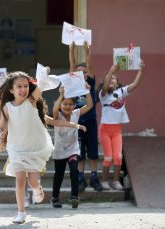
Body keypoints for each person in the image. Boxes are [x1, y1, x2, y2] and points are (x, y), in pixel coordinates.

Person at [0, 71, 54, 224]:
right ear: (11, 90)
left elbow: (40, 86)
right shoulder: (7, 107)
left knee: (33, 182)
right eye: (19, 86)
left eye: (26, 86)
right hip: (16, 148)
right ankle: (21, 213)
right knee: (20, 180)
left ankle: (37, 189)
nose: (23, 89)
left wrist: (44, 73)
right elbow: (1, 127)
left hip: (34, 147)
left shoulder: (32, 101)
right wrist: (0, 134)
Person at [98, 60, 145, 190]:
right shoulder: (103, 95)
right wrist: (111, 71)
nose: (112, 80)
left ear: (118, 83)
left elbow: (135, 84)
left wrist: (141, 70)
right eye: (109, 79)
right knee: (108, 157)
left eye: (114, 79)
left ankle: (116, 181)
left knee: (118, 157)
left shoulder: (121, 92)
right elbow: (105, 85)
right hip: (105, 130)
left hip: (117, 130)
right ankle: (104, 181)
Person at [45, 85, 92, 209]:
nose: (67, 106)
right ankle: (55, 198)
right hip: (59, 151)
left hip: (73, 150)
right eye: (65, 104)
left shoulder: (76, 114)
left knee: (74, 171)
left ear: (74, 105)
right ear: (60, 105)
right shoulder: (57, 116)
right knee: (58, 175)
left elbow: (89, 106)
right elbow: (55, 108)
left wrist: (87, 91)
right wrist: (61, 95)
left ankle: (74, 197)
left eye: (70, 104)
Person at [69, 42, 103, 192]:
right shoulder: (73, 84)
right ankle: (81, 178)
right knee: (80, 152)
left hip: (91, 121)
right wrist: (72, 49)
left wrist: (86, 50)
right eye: (79, 72)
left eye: (84, 71)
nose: (82, 74)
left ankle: (94, 177)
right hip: (77, 122)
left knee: (93, 152)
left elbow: (89, 66)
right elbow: (72, 66)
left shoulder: (89, 81)